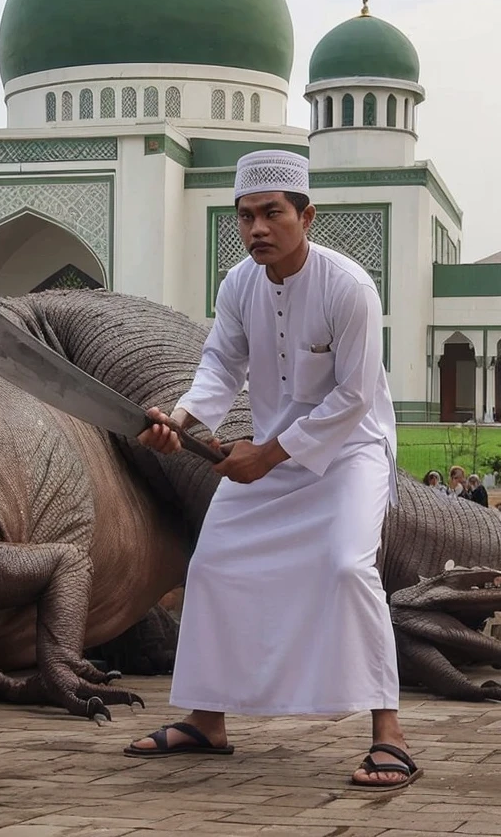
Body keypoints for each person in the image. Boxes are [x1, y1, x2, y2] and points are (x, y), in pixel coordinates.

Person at [124, 150, 420, 790]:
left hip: (349, 453)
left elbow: (353, 398)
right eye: (245, 216)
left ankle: (388, 734)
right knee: (212, 566)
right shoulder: (238, 285)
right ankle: (207, 721)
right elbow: (219, 370)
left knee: (347, 566)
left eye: (271, 213)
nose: (257, 228)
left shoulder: (349, 287)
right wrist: (179, 421)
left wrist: (269, 453)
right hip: (268, 453)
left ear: (306, 216)